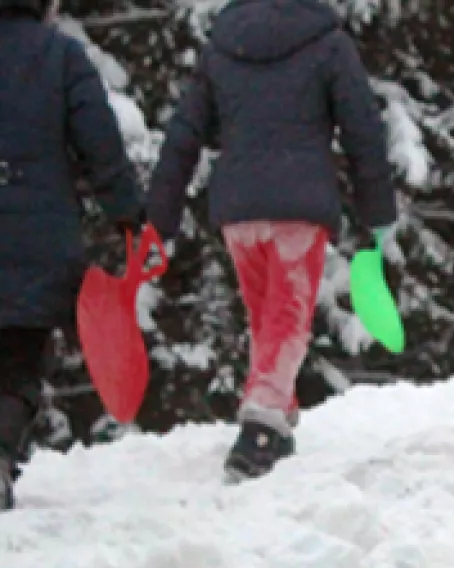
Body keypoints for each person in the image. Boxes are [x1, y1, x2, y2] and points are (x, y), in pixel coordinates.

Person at [147, 0, 397, 481]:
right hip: (298, 208)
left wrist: (160, 215)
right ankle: (260, 425)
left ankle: (277, 418)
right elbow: (362, 128)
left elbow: (184, 134)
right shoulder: (327, 41)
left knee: (267, 315)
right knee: (287, 316)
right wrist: (379, 213)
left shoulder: (222, 45)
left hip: (239, 209)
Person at [0, 0, 144, 512]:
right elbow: (100, 145)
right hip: (38, 236)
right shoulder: (60, 56)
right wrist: (127, 215)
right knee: (19, 356)